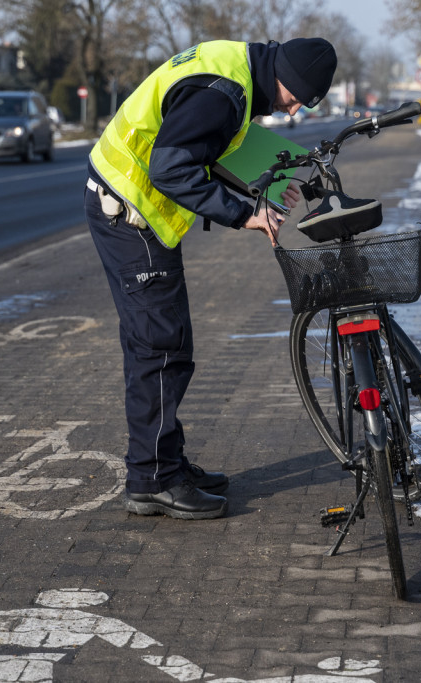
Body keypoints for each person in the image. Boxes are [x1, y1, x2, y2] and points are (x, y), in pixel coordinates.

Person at [83, 38, 338, 520]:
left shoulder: (238, 68)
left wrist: (292, 179)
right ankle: (153, 479)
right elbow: (171, 168)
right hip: (127, 209)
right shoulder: (225, 91)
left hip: (133, 209)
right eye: (297, 97)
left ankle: (166, 464)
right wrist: (244, 215)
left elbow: (222, 147)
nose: (293, 110)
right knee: (159, 346)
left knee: (165, 342)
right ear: (280, 73)